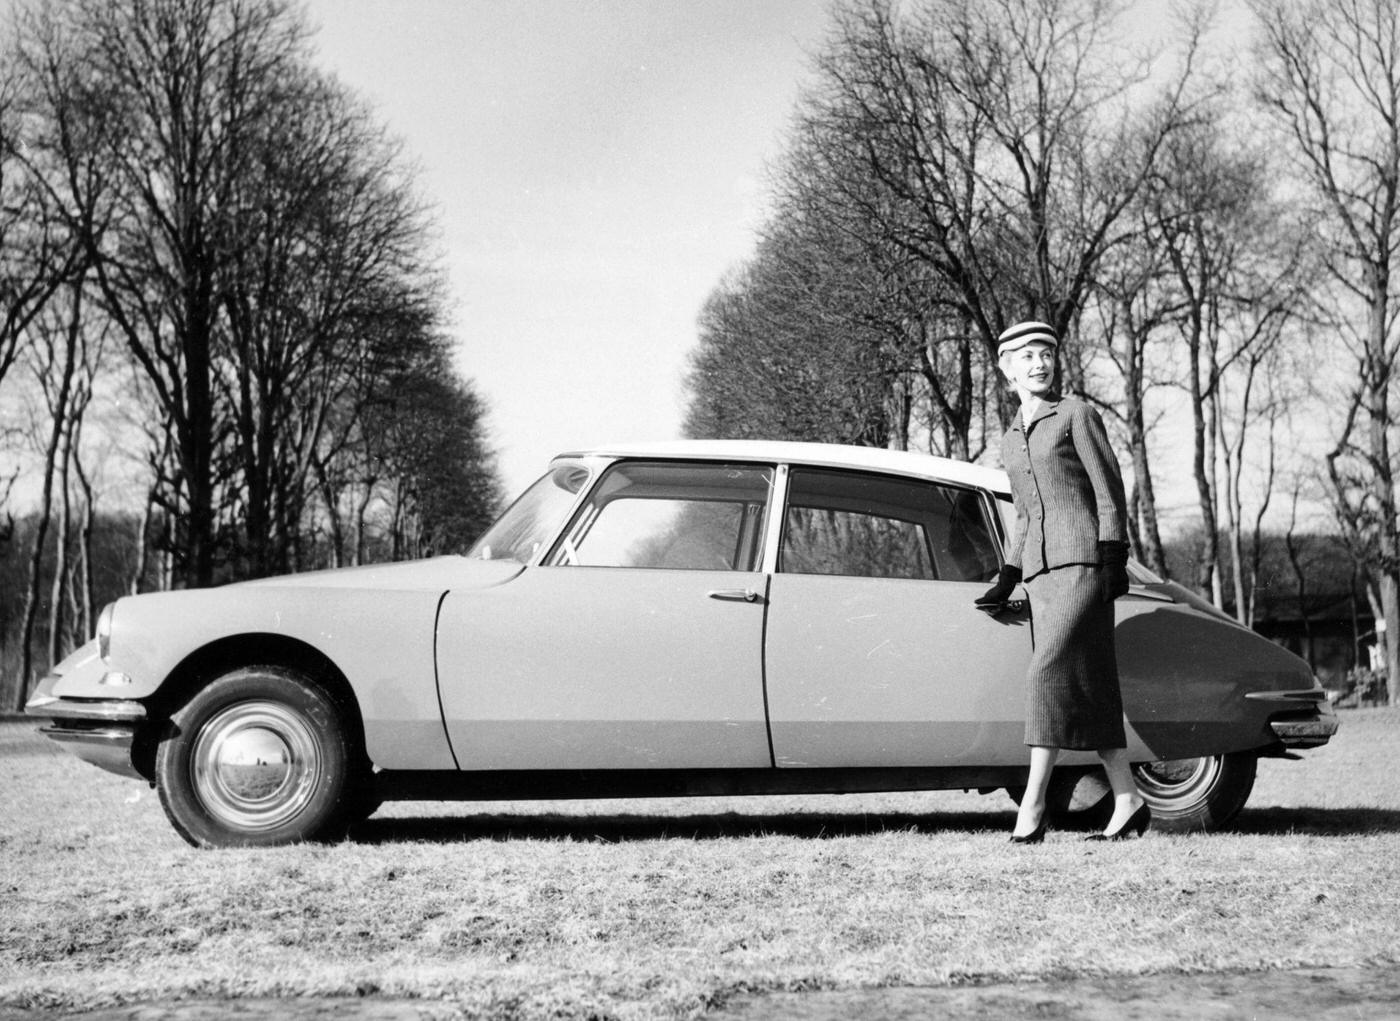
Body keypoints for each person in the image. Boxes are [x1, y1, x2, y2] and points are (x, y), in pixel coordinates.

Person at [975, 319, 1149, 844]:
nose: (1039, 363)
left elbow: (1108, 490)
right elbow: (1024, 515)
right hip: (1041, 574)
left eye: (1046, 353)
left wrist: (1114, 557)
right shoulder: (1007, 440)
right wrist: (1008, 574)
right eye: (1026, 356)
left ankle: (1032, 806)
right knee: (1090, 688)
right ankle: (1128, 800)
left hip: (1085, 564)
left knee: (1044, 675)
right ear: (1007, 370)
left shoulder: (1076, 414)